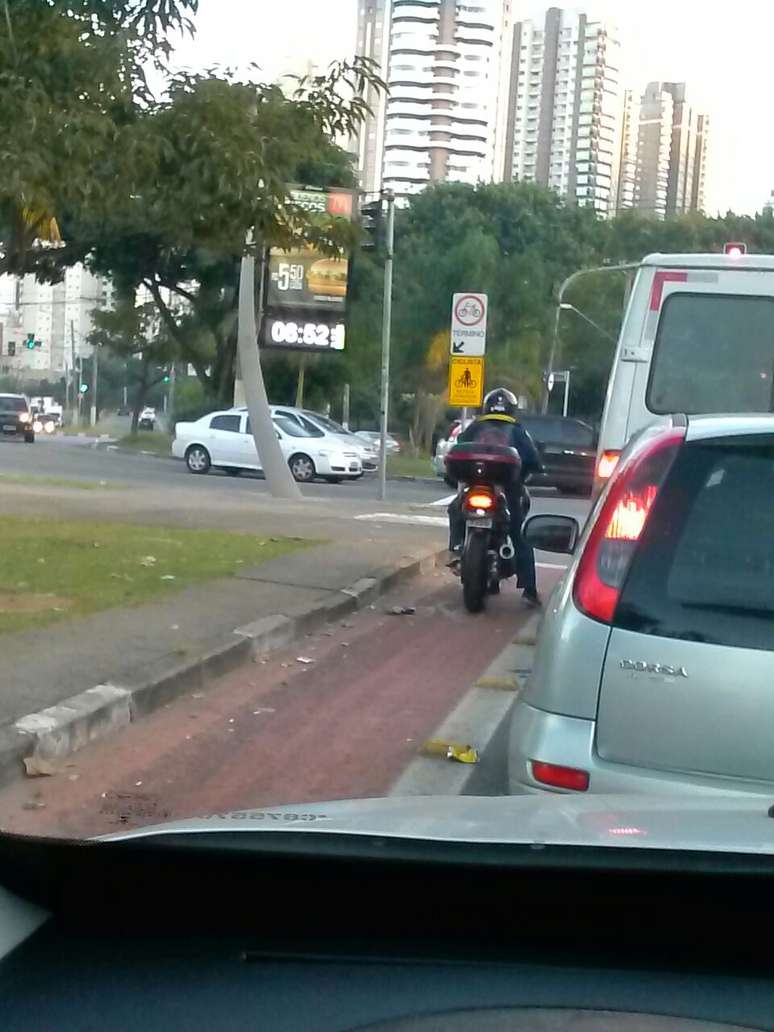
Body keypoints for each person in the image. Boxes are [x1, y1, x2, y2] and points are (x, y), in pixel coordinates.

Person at [446, 387, 543, 607]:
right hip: (506, 489)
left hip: (475, 486)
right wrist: (534, 468)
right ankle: (529, 589)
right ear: (511, 409)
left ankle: (455, 548)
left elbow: (459, 446)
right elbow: (534, 459)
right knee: (520, 534)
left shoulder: (475, 427)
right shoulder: (517, 431)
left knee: (455, 510)